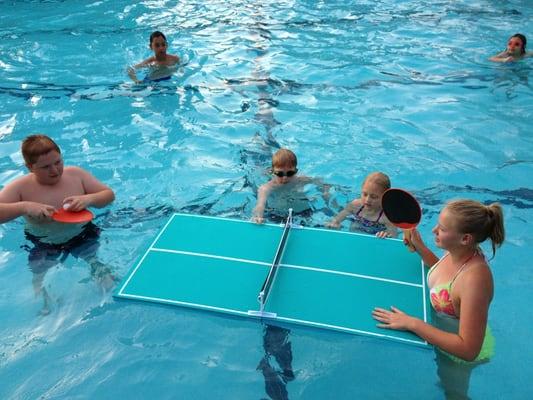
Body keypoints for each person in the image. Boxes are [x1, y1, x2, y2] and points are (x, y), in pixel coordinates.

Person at [372, 200, 504, 399]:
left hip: (458, 355)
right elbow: (445, 278)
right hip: (444, 334)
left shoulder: (475, 281)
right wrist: (420, 247)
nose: (434, 230)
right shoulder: (458, 253)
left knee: (453, 394)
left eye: (442, 229)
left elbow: (469, 349)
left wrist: (412, 323)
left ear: (465, 238)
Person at [0, 134, 115, 313]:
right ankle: (44, 303)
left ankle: (99, 271)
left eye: (58, 162)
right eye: (46, 167)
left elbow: (108, 195)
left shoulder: (76, 175)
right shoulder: (20, 188)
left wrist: (88, 199)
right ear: (30, 167)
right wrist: (24, 207)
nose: (55, 170)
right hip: (44, 241)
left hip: (83, 233)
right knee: (39, 276)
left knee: (95, 262)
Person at [251, 148, 329, 224]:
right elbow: (260, 205)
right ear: (273, 172)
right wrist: (258, 217)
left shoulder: (300, 180)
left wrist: (325, 192)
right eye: (280, 174)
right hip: (277, 213)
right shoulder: (267, 188)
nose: (285, 177)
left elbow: (322, 183)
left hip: (303, 211)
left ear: (296, 171)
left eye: (290, 173)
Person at [326, 172, 397, 238]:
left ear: (385, 197)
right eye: (365, 194)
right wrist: (335, 222)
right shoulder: (355, 205)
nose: (367, 200)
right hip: (355, 232)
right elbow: (339, 217)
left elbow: (393, 235)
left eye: (374, 197)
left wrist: (386, 234)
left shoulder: (387, 216)